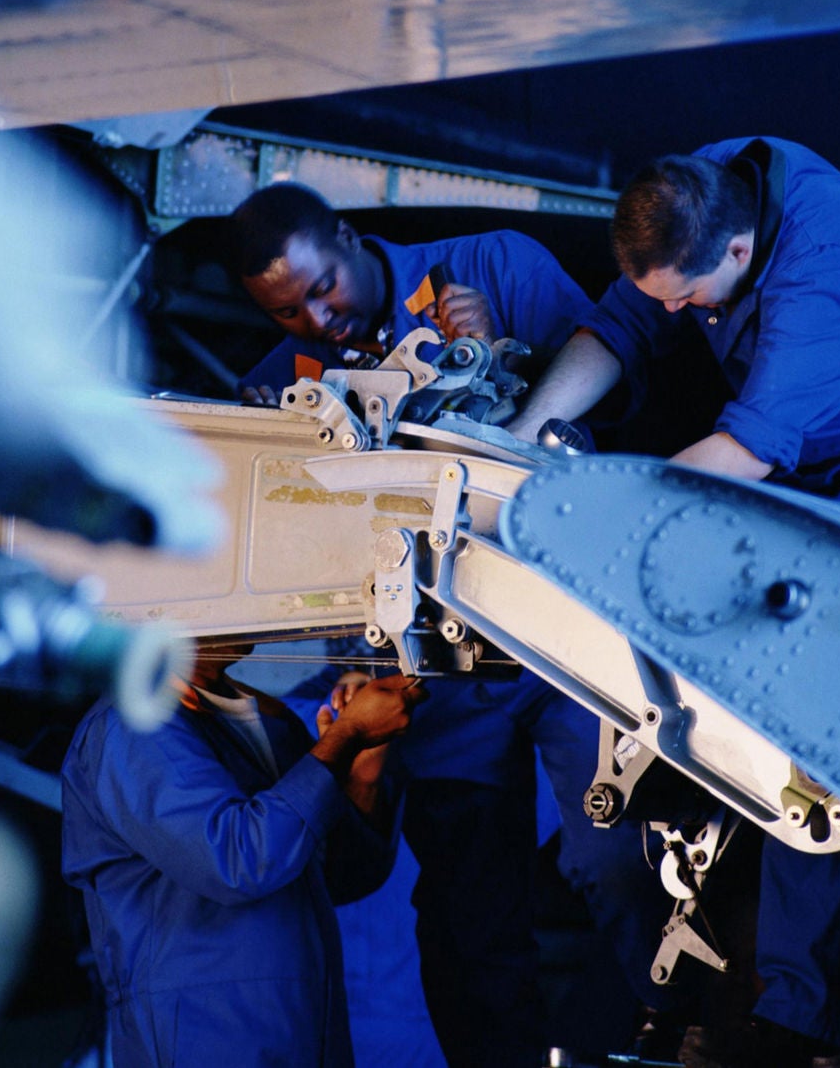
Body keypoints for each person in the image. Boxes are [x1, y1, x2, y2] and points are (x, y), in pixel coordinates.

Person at [508, 137, 840, 1068]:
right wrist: (513, 446)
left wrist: (574, 522)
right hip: (826, 468)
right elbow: (619, 323)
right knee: (796, 727)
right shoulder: (702, 191)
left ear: (737, 256)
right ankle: (789, 1007)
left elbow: (742, 457)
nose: (672, 316)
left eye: (684, 301)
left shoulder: (823, 275)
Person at [228, 183, 675, 1066]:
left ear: (352, 239)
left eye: (325, 290)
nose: (318, 320)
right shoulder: (280, 395)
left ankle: (692, 1033)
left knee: (624, 863)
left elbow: (636, 405)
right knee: (471, 915)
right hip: (440, 684)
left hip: (563, 643)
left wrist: (524, 352)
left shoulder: (491, 269)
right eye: (288, 313)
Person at [60, 640, 421, 1068]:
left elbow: (337, 875)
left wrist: (361, 768)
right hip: (207, 1037)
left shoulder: (269, 719)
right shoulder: (134, 724)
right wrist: (346, 736)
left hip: (306, 1031)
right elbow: (238, 861)